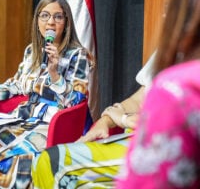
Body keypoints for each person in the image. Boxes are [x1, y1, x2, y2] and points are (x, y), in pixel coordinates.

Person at [0, 0, 94, 188]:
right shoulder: (32, 51)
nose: (50, 22)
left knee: (5, 160)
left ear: (66, 22)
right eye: (44, 15)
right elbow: (16, 85)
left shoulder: (78, 55)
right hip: (23, 118)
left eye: (58, 16)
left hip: (50, 124)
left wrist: (55, 75)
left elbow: (77, 100)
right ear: (37, 22)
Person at [117, 0, 200, 188]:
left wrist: (121, 119)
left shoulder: (179, 88)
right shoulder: (32, 53)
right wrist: (111, 116)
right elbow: (139, 95)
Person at [30, 50, 154, 188]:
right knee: (46, 168)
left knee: (49, 162)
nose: (50, 27)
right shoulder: (32, 52)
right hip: (30, 120)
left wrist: (124, 119)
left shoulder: (78, 55)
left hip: (154, 147)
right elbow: (139, 100)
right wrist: (105, 120)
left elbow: (74, 98)